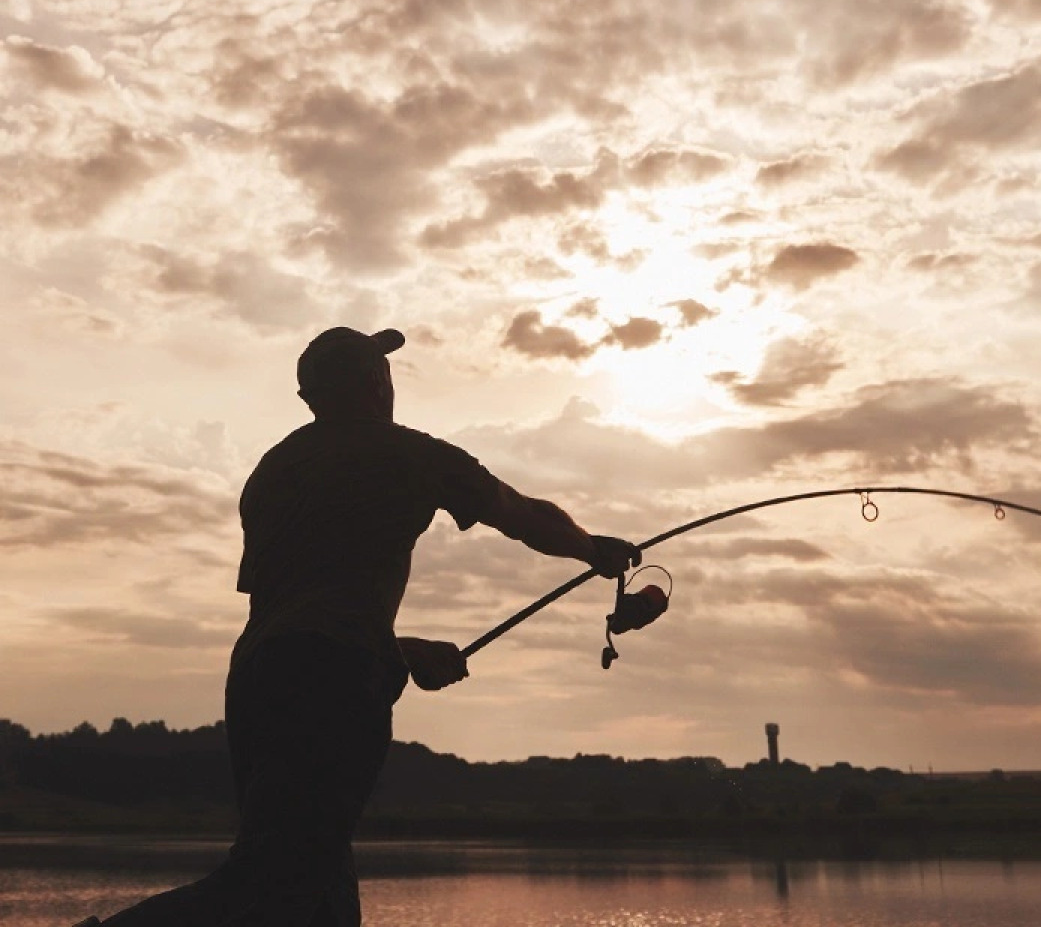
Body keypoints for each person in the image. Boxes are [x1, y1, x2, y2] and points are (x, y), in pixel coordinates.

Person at [80, 326, 640, 927]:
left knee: (320, 887)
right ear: (378, 382)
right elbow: (519, 513)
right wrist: (592, 550)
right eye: (385, 371)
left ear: (310, 398)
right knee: (272, 879)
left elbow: (294, 606)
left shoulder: (274, 470)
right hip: (333, 677)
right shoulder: (408, 453)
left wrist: (394, 651)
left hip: (257, 678)